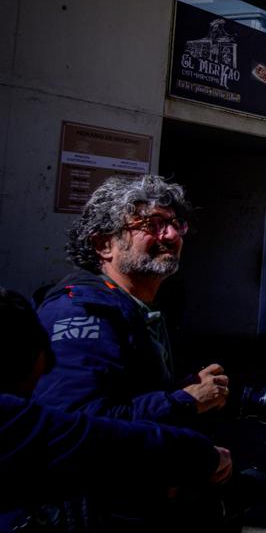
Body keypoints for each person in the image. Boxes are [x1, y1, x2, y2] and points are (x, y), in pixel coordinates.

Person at [0, 288, 232, 531]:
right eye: (47, 358)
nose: (48, 371)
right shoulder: (80, 305)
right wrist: (201, 448)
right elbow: (100, 441)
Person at [34, 175, 231, 424]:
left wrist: (180, 391)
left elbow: (128, 396)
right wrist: (184, 401)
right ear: (104, 244)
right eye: (152, 224)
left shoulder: (142, 304)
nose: (171, 235)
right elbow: (73, 422)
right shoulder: (82, 312)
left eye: (175, 223)